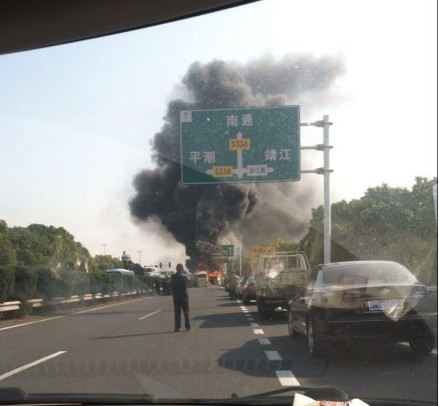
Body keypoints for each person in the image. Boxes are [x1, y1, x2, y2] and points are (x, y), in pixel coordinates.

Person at [171, 263, 191, 332]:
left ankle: (177, 327)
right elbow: (189, 279)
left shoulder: (173, 276)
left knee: (177, 313)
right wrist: (185, 272)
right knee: (186, 312)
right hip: (184, 296)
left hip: (176, 296)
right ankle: (188, 327)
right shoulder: (185, 276)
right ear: (182, 269)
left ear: (176, 269)